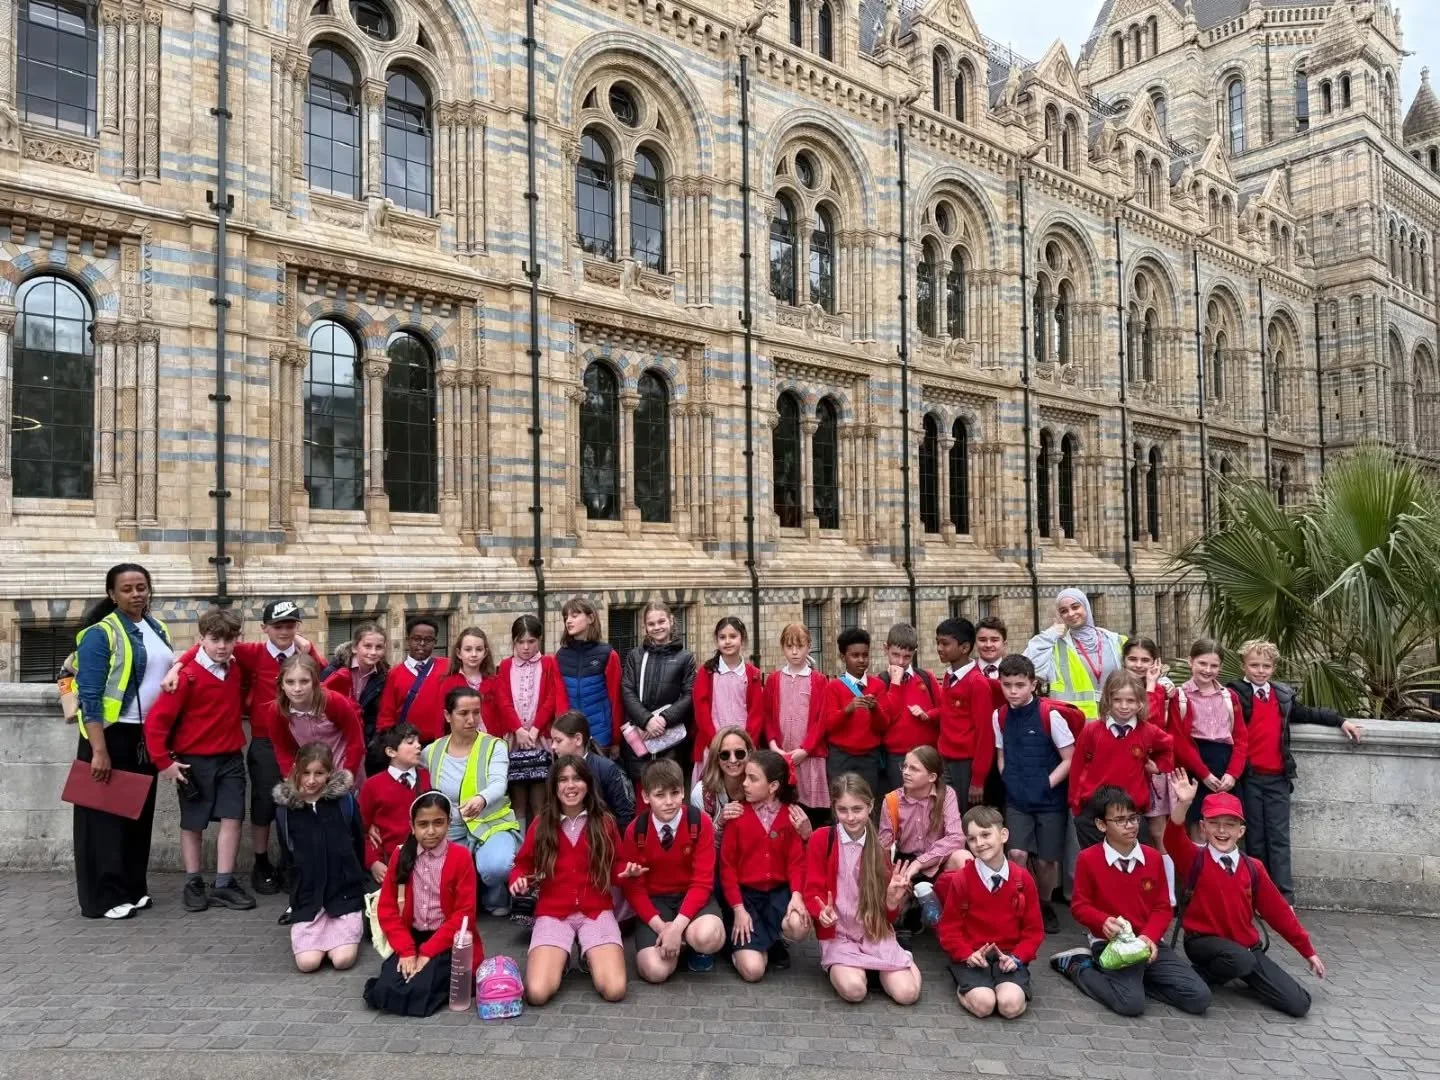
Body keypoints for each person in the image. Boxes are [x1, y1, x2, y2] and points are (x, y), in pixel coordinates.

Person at [165, 598, 321, 896]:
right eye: (278, 625)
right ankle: (261, 862)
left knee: (300, 801)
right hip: (264, 741)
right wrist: (177, 666)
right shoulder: (250, 653)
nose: (284, 631)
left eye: (290, 625)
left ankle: (293, 862)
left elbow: (325, 675)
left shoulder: (304, 655)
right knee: (262, 805)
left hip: (301, 741)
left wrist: (309, 647)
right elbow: (207, 646)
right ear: (265, 628)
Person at [1168, 775, 1325, 1017]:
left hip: (1246, 950)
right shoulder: (1194, 859)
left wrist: (1308, 951)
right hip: (1203, 943)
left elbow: (1279, 913)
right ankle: (1201, 975)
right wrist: (1184, 804)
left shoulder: (1253, 868)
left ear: (1241, 831)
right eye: (1215, 823)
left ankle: (1234, 972)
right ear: (1203, 828)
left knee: (1299, 1003)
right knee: (1240, 960)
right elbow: (1172, 838)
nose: (1222, 830)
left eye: (1230, 824)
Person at [1049, 786, 1211, 1017]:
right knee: (1130, 1005)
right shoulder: (1088, 859)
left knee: (1199, 997)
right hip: (1110, 943)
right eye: (1121, 820)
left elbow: (1163, 907)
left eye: (1133, 818)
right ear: (1101, 825)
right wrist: (1102, 921)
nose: (1131, 825)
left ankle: (1138, 983)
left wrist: (1149, 938)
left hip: (1148, 942)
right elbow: (1079, 906)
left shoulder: (1153, 857)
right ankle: (1079, 966)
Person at [72, 562, 175, 919]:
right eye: (127, 589)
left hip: (143, 736)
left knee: (137, 816)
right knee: (103, 820)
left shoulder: (156, 627)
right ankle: (102, 897)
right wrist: (98, 750)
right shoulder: (101, 633)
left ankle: (133, 887)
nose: (136, 594)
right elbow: (89, 694)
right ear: (112, 594)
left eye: (141, 587)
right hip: (110, 736)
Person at [1228, 639, 1362, 901]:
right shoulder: (1234, 693)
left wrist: (1340, 720)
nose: (1260, 670)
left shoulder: (1282, 696)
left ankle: (1283, 897)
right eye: (1254, 665)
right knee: (1254, 838)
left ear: (1274, 668)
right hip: (1249, 778)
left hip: (1277, 777)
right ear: (1244, 665)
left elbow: (1308, 713)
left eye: (1266, 666)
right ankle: (1257, 895)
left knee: (1279, 838)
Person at [142, 606, 254, 912]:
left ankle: (223, 882)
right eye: (215, 639)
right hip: (193, 761)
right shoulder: (185, 678)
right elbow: (156, 723)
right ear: (201, 639)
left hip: (230, 757)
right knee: (193, 824)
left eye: (228, 640)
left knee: (233, 818)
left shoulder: (235, 669)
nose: (221, 646)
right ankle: (193, 881)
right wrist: (163, 762)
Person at [509, 756, 630, 1005]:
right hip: (553, 912)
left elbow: (617, 864)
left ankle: (588, 956)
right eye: (563, 780)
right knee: (537, 993)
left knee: (615, 990)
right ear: (554, 786)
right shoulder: (542, 824)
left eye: (577, 779)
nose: (570, 785)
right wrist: (518, 879)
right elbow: (522, 864)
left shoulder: (605, 822)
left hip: (596, 910)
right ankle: (562, 960)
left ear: (588, 784)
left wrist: (627, 872)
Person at [803, 774, 922, 1005]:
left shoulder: (880, 847)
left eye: (857, 809)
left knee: (908, 995)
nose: (850, 817)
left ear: (870, 806)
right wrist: (821, 914)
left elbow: (887, 916)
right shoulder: (821, 838)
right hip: (838, 936)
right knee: (855, 991)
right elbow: (812, 890)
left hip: (873, 933)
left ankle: (900, 957)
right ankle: (870, 970)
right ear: (834, 808)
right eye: (843, 810)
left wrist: (892, 901)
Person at [365, 791, 480, 1017]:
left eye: (438, 823)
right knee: (386, 987)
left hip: (447, 940)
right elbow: (387, 909)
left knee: (420, 991)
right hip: (410, 939)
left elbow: (464, 915)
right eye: (423, 824)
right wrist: (408, 951)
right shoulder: (401, 855)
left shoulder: (460, 856)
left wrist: (426, 953)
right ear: (412, 826)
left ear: (449, 822)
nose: (430, 831)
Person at [991, 654, 1081, 935]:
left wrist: (1046, 784)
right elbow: (1001, 753)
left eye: (1020, 684)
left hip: (1049, 800)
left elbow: (1070, 758)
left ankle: (1044, 904)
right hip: (1018, 799)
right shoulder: (1000, 715)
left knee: (1045, 860)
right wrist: (1008, 778)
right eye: (1007, 685)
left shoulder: (1049, 715)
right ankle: (1019, 903)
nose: (1013, 691)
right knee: (1016, 853)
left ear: (1033, 684)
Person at [619, 758, 726, 981]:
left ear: (683, 792)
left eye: (675, 793)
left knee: (708, 936)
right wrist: (662, 928)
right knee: (655, 972)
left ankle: (691, 943)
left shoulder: (699, 823)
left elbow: (702, 882)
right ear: (646, 797)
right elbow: (634, 890)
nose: (669, 802)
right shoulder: (635, 831)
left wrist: (676, 928)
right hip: (656, 902)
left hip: (692, 898)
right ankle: (675, 945)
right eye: (660, 795)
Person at [935, 805, 1045, 1019]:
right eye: (972, 839)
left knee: (1009, 1007)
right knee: (984, 1006)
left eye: (986, 834)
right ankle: (965, 986)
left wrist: (1018, 957)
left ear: (1003, 835)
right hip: (973, 956)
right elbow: (949, 929)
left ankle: (1008, 986)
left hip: (1009, 957)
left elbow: (1034, 931)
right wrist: (966, 954)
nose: (979, 843)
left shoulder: (1023, 879)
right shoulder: (961, 880)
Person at [421, 686, 521, 917]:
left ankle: (494, 895)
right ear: (448, 715)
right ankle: (468, 892)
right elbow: (404, 766)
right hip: (451, 827)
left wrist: (481, 799)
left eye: (476, 712)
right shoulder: (432, 750)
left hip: (491, 822)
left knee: (497, 866)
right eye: (463, 713)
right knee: (431, 872)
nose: (471, 719)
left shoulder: (494, 746)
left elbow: (499, 783)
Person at [273, 743, 368, 972]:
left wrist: (354, 879)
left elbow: (358, 844)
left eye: (319, 773)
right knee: (307, 963)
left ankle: (346, 930)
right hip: (308, 898)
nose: (312, 780)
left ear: (330, 773)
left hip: (343, 894)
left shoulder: (344, 803)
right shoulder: (286, 810)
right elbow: (288, 853)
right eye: (306, 773)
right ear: (296, 770)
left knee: (342, 960)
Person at [719, 749, 812, 980]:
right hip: (747, 898)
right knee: (753, 972)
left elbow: (796, 862)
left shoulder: (790, 815)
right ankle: (743, 946)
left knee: (799, 924)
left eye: (753, 778)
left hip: (778, 894)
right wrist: (738, 909)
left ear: (772, 787)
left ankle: (768, 941)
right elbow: (727, 867)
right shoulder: (738, 814)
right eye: (745, 777)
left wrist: (797, 895)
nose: (745, 784)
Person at [1069, 671, 1173, 850]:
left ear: (1141, 702)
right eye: (1117, 700)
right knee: (1098, 864)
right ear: (1108, 700)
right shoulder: (1091, 731)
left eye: (1131, 701)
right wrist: (1077, 806)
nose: (1124, 706)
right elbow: (1077, 768)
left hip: (1132, 813)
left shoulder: (1148, 731)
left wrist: (1157, 767)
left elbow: (1169, 747)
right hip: (1095, 813)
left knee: (1136, 866)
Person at [877, 745, 969, 942]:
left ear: (932, 777)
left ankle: (956, 919)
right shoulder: (892, 800)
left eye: (914, 769)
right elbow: (883, 846)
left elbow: (956, 837)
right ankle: (909, 908)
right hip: (904, 861)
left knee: (964, 858)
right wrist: (891, 874)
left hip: (936, 860)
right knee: (896, 907)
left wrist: (920, 863)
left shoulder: (947, 795)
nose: (906, 772)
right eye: (905, 766)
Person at [490, 617, 569, 824]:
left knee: (539, 799)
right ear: (513, 642)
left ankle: (541, 846)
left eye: (531, 641)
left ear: (540, 640)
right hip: (515, 740)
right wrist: (518, 729)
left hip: (539, 738)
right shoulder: (506, 665)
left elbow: (552, 697)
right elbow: (502, 699)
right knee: (518, 800)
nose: (526, 647)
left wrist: (534, 730)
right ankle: (520, 846)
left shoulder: (549, 663)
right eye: (520, 642)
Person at [619, 600, 697, 782]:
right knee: (643, 790)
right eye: (651, 624)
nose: (657, 627)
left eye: (661, 622)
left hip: (671, 738)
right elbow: (627, 689)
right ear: (645, 627)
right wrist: (646, 720)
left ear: (670, 621)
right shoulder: (635, 655)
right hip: (641, 733)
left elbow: (688, 694)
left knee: (668, 786)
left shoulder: (685, 658)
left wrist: (663, 720)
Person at [1174, 639, 1247, 831]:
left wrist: (1233, 773)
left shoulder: (1229, 696)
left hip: (1225, 763)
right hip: (1196, 764)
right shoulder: (1180, 696)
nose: (1207, 670)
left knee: (1227, 822)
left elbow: (1240, 738)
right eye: (1202, 663)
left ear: (1220, 667)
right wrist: (1204, 774)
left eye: (1214, 665)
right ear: (1191, 662)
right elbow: (1180, 741)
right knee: (1199, 825)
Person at [764, 622, 831, 827]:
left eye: (799, 646)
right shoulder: (774, 679)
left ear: (809, 647)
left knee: (811, 810)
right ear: (783, 647)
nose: (794, 652)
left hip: (809, 758)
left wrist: (805, 749)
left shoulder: (818, 680)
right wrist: (774, 746)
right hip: (782, 755)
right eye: (789, 646)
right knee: (784, 808)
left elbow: (821, 719)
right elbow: (767, 716)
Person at [1023, 589, 1126, 721]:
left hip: (1116, 723)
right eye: (1064, 611)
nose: (1071, 614)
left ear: (1086, 606)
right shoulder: (1056, 647)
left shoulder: (1116, 641)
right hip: (1073, 727)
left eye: (1075, 607)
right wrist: (1050, 634)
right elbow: (1026, 667)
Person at [818, 627, 886, 804]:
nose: (861, 660)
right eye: (855, 656)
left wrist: (875, 709)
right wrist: (847, 711)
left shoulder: (877, 686)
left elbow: (883, 726)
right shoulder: (834, 687)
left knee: (867, 803)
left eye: (865, 655)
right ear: (843, 657)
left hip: (869, 758)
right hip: (841, 757)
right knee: (840, 802)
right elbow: (828, 725)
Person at [691, 617, 767, 776]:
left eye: (733, 636)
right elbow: (701, 710)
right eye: (722, 637)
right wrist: (715, 743)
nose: (727, 641)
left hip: (742, 750)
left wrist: (745, 744)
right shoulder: (706, 672)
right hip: (713, 746)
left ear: (743, 639)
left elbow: (757, 713)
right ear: (716, 640)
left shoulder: (752, 674)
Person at [1123, 638, 1179, 852]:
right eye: (1133, 659)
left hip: (1153, 766)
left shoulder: (1161, 688)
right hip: (1128, 765)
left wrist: (1152, 684)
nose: (1138, 665)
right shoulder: (1120, 685)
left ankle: (1166, 880)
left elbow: (1151, 721)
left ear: (1155, 662)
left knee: (1158, 831)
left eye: (1145, 660)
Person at [272, 653, 366, 778]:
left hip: (343, 768)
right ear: (282, 684)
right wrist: (290, 775)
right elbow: (281, 748)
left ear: (315, 682)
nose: (297, 688)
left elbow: (355, 740)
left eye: (304, 681)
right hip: (312, 775)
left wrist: (348, 773)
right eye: (290, 682)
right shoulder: (278, 710)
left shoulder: (333, 701)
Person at [358, 723, 431, 884]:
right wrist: (373, 862)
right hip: (390, 865)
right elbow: (361, 831)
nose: (418, 746)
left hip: (429, 861)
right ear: (391, 751)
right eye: (410, 742)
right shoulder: (372, 786)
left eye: (418, 742)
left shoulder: (429, 778)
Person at [935, 617, 994, 810]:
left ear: (964, 647)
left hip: (966, 764)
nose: (939, 648)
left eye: (945, 644)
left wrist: (978, 778)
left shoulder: (977, 682)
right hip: (946, 760)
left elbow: (985, 733)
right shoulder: (948, 676)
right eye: (938, 643)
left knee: (964, 817)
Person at [876, 623, 942, 795]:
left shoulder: (926, 678)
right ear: (886, 649)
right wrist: (895, 684)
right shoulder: (880, 682)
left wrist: (928, 715)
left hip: (928, 755)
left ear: (915, 652)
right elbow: (883, 720)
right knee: (901, 806)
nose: (900, 662)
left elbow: (946, 711)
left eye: (907, 657)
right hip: (897, 758)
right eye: (895, 655)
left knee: (930, 806)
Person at [554, 596, 623, 754]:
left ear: (590, 618)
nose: (568, 621)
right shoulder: (561, 656)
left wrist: (616, 739)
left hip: (600, 736)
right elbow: (560, 699)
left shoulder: (608, 654)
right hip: (570, 738)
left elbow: (616, 699)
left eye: (574, 615)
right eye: (566, 617)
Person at [321, 622, 389, 777]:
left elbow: (376, 714)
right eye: (367, 646)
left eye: (378, 647)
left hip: (362, 743)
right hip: (333, 739)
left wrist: (372, 743)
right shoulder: (333, 671)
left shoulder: (383, 677)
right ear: (354, 647)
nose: (373, 652)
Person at [550, 709, 635, 829]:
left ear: (578, 739)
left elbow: (624, 813)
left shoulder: (606, 768)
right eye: (564, 779)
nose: (553, 746)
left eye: (558, 741)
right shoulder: (554, 770)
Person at [376, 616, 452, 745]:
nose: (422, 644)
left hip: (442, 742)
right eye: (417, 639)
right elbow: (386, 715)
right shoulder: (394, 674)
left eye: (428, 640)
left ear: (435, 642)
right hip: (407, 744)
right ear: (407, 641)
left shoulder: (447, 667)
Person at [691, 725, 754, 840]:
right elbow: (702, 844)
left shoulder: (762, 785)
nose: (733, 760)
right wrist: (720, 822)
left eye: (739, 753)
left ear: (749, 754)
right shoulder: (701, 794)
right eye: (725, 755)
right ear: (717, 758)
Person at [974, 616, 1010, 811]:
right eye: (982, 640)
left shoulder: (1015, 673)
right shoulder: (967, 674)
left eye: (994, 640)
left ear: (1004, 643)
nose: (988, 645)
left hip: (1009, 753)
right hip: (976, 755)